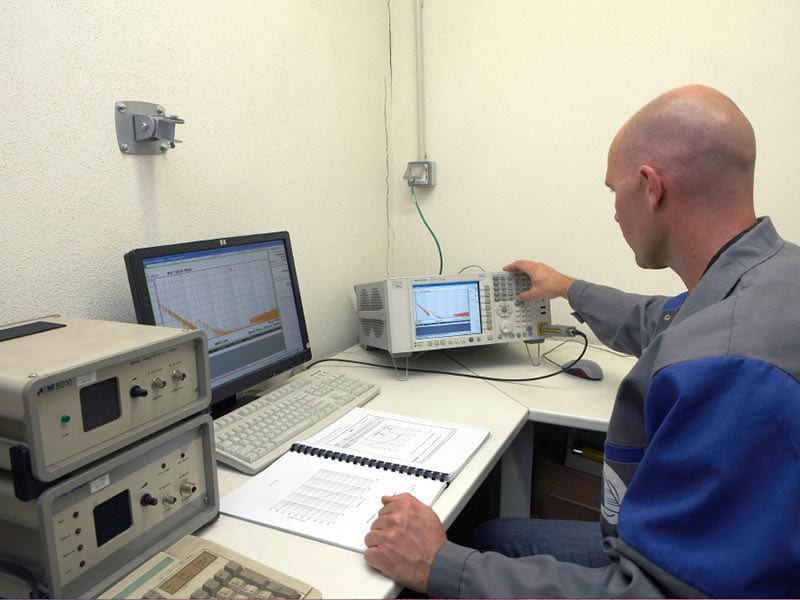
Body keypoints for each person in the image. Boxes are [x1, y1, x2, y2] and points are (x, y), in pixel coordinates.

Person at [363, 84, 800, 597]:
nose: (614, 211)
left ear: (651, 188)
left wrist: (440, 565)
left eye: (614, 191)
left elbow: (651, 593)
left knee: (459, 552)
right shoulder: (771, 276)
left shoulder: (728, 368)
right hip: (734, 549)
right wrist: (568, 288)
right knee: (491, 535)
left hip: (676, 578)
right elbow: (660, 320)